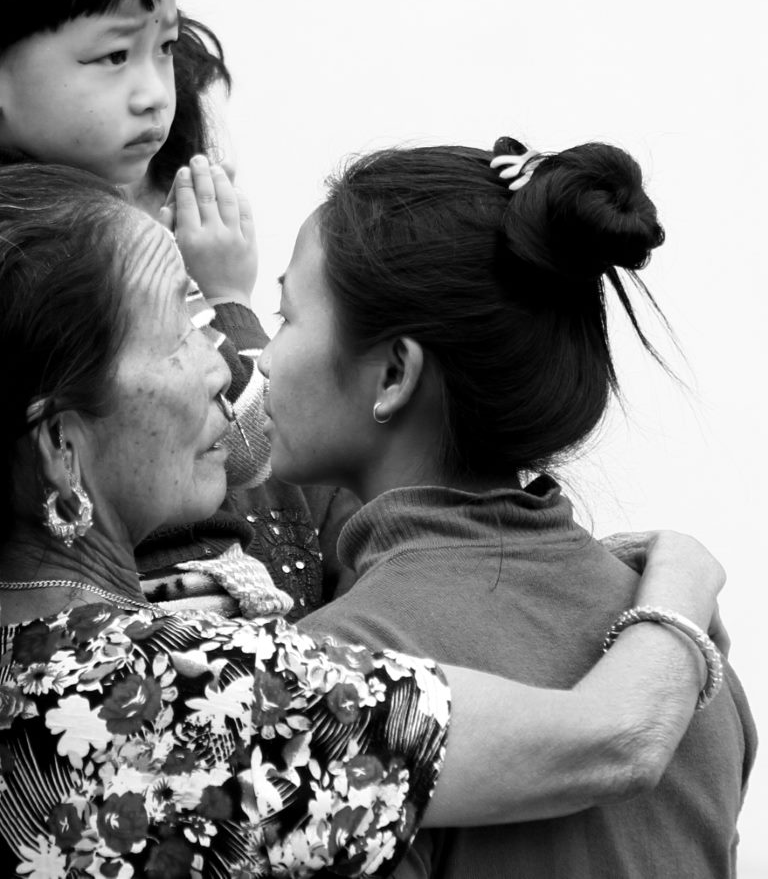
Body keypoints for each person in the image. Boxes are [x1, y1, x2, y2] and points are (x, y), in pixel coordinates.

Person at [0, 162, 731, 878]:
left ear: (394, 375)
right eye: (178, 334)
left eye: (279, 317)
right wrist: (684, 578)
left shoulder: (318, 648)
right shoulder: (225, 693)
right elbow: (620, 737)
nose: (229, 359)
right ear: (61, 443)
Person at [257, 138, 757, 877]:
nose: (262, 356)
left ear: (394, 371)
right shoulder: (686, 665)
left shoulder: (347, 670)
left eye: (285, 314)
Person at [0, 0, 354, 618]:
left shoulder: (158, 232)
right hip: (150, 618)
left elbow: (252, 448)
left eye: (163, 48)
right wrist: (230, 303)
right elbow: (257, 446)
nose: (153, 93)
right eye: (113, 56)